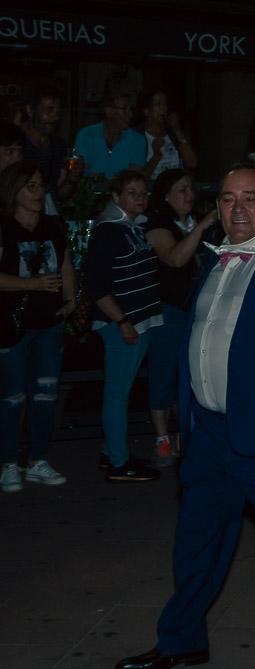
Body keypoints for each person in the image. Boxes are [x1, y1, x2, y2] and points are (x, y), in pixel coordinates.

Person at [115, 163, 255, 669]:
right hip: (211, 432)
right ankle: (181, 639)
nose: (238, 208)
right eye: (227, 199)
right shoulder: (216, 259)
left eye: (250, 197)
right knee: (197, 539)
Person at [84, 169, 164, 483]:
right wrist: (122, 321)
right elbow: (96, 285)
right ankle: (118, 463)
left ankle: (111, 452)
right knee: (117, 394)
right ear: (116, 196)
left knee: (122, 391)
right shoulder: (109, 230)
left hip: (139, 321)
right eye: (132, 193)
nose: (140, 198)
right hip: (123, 324)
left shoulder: (132, 227)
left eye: (143, 193)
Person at [0, 162, 75, 493]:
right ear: (14, 190)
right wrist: (31, 284)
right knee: (12, 397)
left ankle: (38, 459)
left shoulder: (52, 226)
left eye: (40, 186)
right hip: (12, 326)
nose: (38, 192)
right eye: (30, 186)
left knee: (45, 394)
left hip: (50, 322)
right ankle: (8, 462)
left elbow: (65, 263)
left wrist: (70, 299)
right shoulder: (5, 228)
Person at [142, 169, 218, 467]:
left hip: (196, 310)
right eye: (182, 190)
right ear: (166, 196)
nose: (189, 195)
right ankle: (161, 437)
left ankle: (183, 434)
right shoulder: (158, 225)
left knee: (189, 373)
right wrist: (202, 226)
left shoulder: (192, 223)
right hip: (168, 310)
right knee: (163, 373)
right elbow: (175, 258)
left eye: (190, 189)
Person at [73, 87, 149, 180]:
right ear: (109, 111)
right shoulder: (86, 135)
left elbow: (132, 178)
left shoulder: (137, 140)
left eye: (131, 109)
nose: (130, 114)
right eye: (125, 109)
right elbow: (81, 173)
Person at [21, 86, 72, 206]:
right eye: (49, 110)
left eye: (58, 111)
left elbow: (57, 194)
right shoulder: (15, 145)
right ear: (30, 110)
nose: (56, 117)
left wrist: (72, 178)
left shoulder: (58, 145)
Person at [137, 90, 198, 179]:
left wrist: (177, 131)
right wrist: (156, 156)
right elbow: (139, 178)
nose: (163, 108)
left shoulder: (172, 133)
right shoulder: (138, 136)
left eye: (165, 104)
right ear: (146, 111)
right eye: (158, 104)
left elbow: (192, 163)